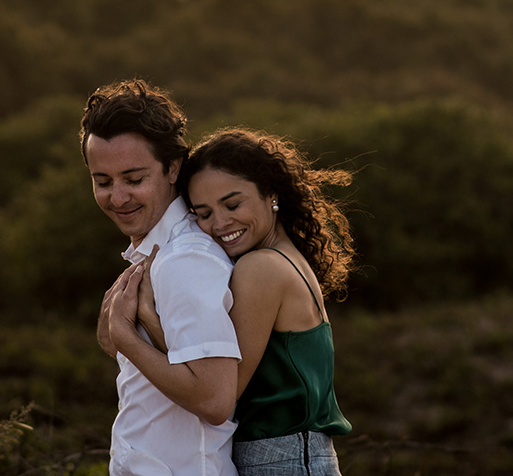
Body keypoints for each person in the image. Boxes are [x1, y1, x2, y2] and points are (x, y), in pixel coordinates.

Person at [108, 127, 355, 476]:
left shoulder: (261, 268)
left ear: (271, 194)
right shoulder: (284, 258)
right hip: (297, 456)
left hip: (282, 461)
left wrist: (135, 330)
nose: (220, 223)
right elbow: (210, 372)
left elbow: (214, 393)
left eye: (233, 204)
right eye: (204, 213)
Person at [82, 80, 242, 476]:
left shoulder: (185, 260)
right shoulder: (155, 255)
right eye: (102, 182)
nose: (117, 198)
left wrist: (124, 339)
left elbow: (214, 400)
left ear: (172, 168)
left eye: (134, 179)